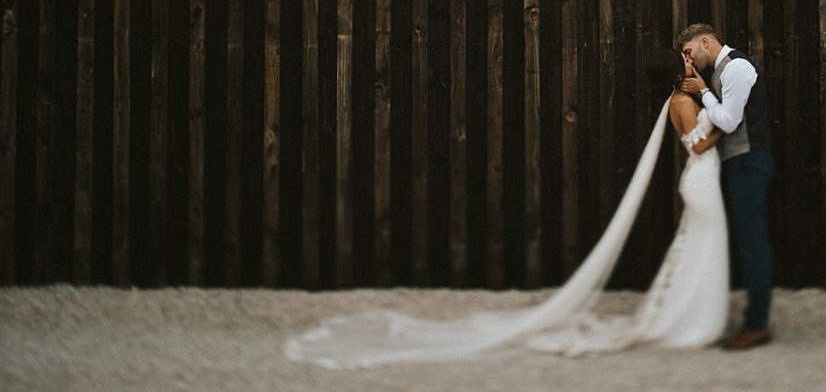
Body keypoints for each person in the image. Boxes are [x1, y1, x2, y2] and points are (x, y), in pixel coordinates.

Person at [284, 48, 731, 369]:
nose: (691, 59)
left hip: (704, 181)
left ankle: (690, 319)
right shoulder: (681, 103)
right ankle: (690, 323)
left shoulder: (686, 97)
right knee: (704, 248)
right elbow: (696, 146)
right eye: (686, 58)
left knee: (700, 250)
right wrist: (726, 126)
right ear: (679, 71)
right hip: (702, 178)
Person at [678, 22, 775, 350]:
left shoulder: (736, 68)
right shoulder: (721, 71)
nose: (688, 61)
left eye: (690, 52)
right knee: (747, 241)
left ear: (705, 42)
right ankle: (749, 318)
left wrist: (703, 91)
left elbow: (730, 121)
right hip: (739, 163)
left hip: (750, 162)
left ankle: (757, 324)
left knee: (752, 243)